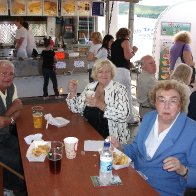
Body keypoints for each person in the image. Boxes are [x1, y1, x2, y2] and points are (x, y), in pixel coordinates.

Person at [110, 79, 196, 195]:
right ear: (155, 103)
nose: (166, 106)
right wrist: (119, 147)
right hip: (136, 180)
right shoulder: (149, 118)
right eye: (161, 100)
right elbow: (136, 149)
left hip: (162, 191)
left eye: (173, 101)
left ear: (180, 104)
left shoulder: (192, 130)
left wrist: (183, 170)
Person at [66, 59, 130, 144]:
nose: (104, 74)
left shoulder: (119, 89)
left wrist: (99, 104)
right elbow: (76, 108)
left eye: (107, 71)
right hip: (89, 134)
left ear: (112, 73)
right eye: (100, 72)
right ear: (96, 74)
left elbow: (124, 115)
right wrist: (73, 92)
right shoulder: (90, 87)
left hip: (112, 140)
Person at [0, 60, 24, 194]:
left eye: (11, 74)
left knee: (25, 151)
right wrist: (12, 113)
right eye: (3, 73)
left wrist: (6, 119)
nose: (8, 77)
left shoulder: (11, 87)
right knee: (16, 160)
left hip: (5, 135)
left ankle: (17, 180)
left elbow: (19, 108)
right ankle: (8, 188)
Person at [111, 27, 138, 125]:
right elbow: (127, 56)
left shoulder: (114, 43)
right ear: (127, 35)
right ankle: (130, 119)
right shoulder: (125, 41)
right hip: (123, 72)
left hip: (114, 71)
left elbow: (117, 57)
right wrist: (134, 51)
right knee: (127, 95)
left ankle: (117, 118)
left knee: (116, 95)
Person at [136, 55, 157, 120]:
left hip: (145, 111)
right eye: (151, 63)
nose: (154, 65)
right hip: (149, 112)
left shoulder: (145, 76)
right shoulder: (148, 79)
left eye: (154, 63)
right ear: (143, 66)